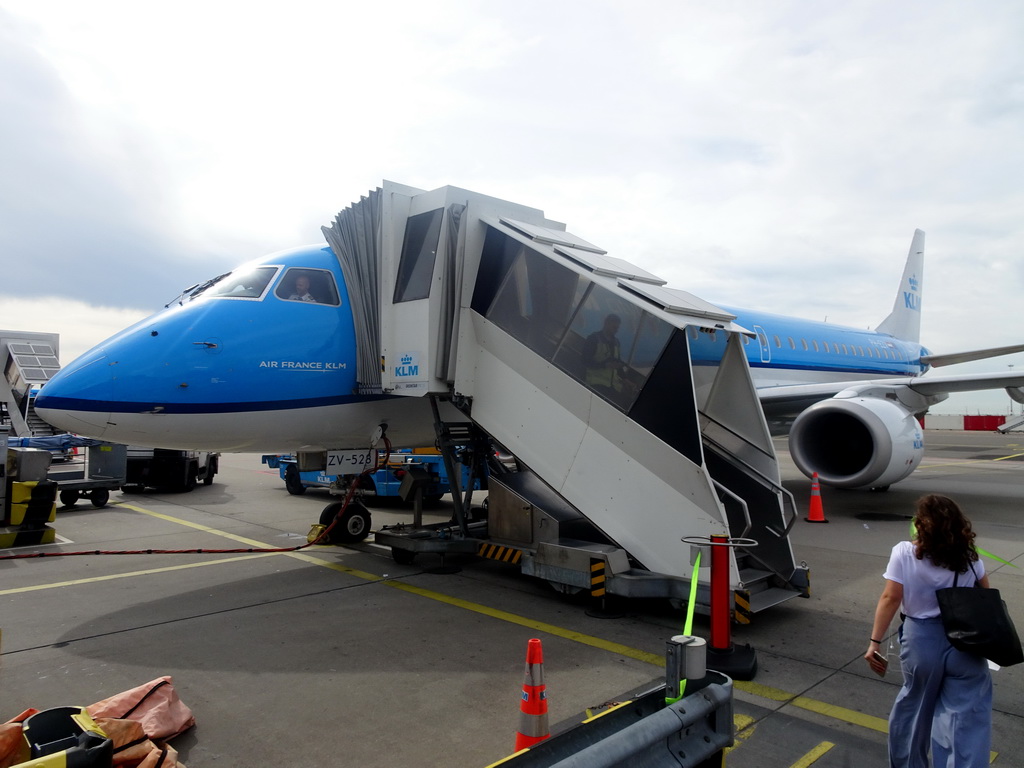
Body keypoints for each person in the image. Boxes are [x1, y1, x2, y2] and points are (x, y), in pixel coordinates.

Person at [865, 494, 992, 767]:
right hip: (966, 644)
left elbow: (890, 598)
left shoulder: (904, 553)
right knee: (966, 720)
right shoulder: (970, 558)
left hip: (922, 640)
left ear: (921, 525)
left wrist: (875, 641)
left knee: (915, 709)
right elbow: (987, 597)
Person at [582, 313, 625, 395]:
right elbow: (585, 361)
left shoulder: (616, 343)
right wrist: (605, 365)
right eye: (614, 327)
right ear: (606, 324)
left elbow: (618, 364)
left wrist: (626, 379)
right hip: (595, 384)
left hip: (613, 387)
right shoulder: (593, 339)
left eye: (617, 328)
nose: (616, 330)